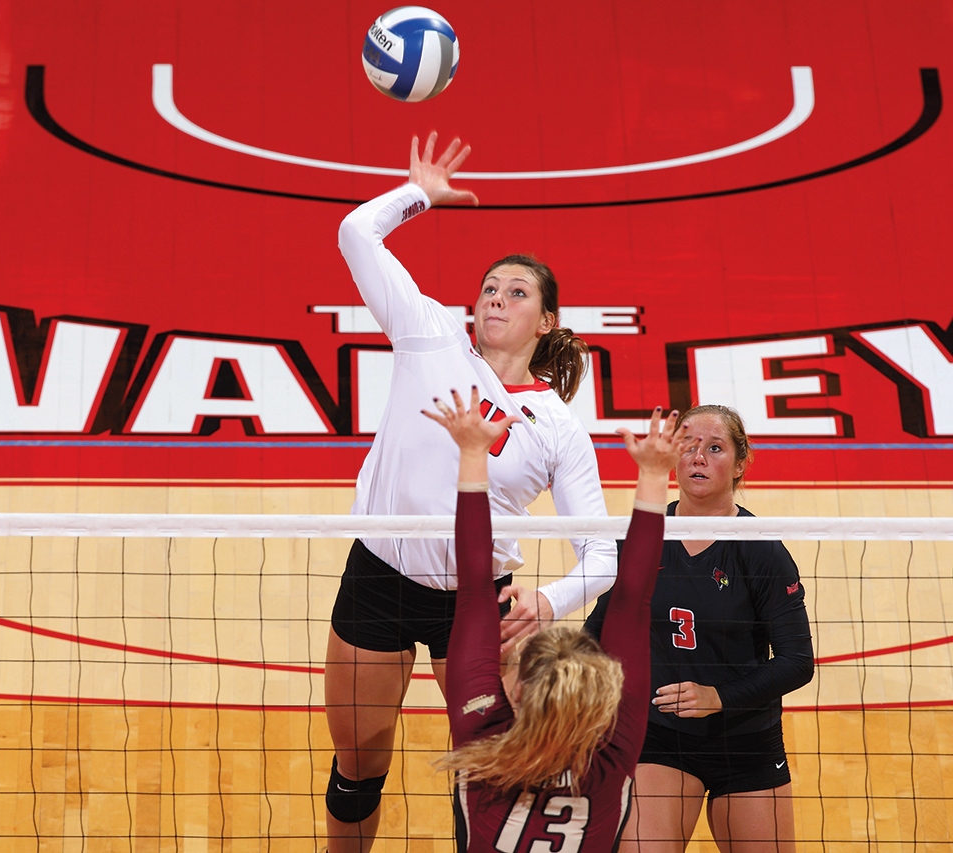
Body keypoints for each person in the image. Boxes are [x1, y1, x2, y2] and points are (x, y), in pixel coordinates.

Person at [324, 132, 617, 852]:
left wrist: (550, 601)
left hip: (482, 603)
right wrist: (420, 193)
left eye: (516, 292)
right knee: (360, 764)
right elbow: (355, 232)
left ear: (545, 321)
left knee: (491, 768)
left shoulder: (554, 425)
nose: (496, 297)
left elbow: (603, 554)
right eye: (489, 287)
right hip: (380, 580)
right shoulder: (428, 334)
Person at [429, 393, 693, 852]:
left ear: (515, 690)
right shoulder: (612, 751)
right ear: (598, 695)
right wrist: (654, 474)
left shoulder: (482, 739)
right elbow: (632, 603)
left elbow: (471, 589)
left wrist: (472, 453)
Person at [583, 405, 815, 853]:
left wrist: (718, 697)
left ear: (741, 463)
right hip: (658, 736)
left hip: (746, 740)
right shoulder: (641, 537)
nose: (698, 458)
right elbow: (599, 633)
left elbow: (796, 662)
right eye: (687, 447)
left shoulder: (761, 550)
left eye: (714, 448)